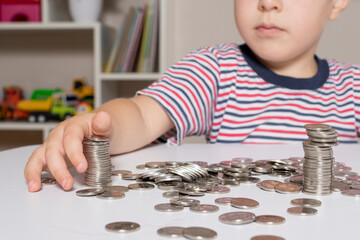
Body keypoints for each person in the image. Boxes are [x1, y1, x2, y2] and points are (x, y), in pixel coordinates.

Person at [24, 0, 356, 192]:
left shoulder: (354, 87)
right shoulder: (214, 69)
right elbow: (142, 115)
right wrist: (93, 127)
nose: (267, 2)